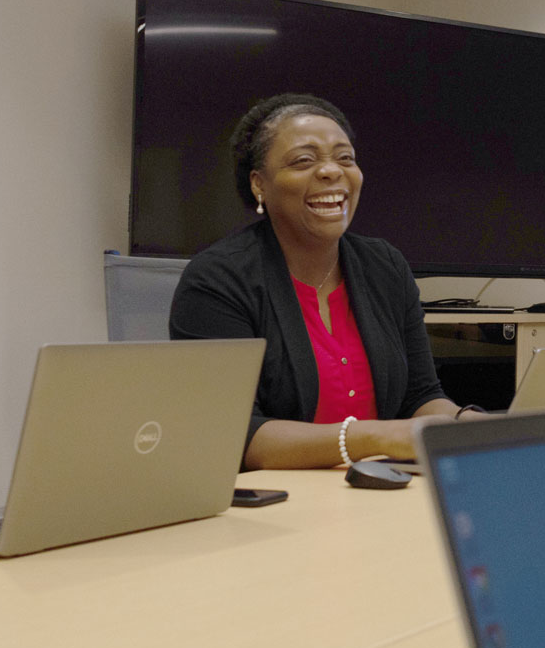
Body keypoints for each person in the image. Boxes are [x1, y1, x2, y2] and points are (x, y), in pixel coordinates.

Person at [169, 93, 471, 470]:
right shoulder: (217, 281)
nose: (332, 172)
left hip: (387, 490)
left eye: (345, 158)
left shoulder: (386, 266)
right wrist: (378, 437)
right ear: (259, 184)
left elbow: (421, 396)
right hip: (278, 506)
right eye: (304, 160)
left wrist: (465, 423)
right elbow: (234, 432)